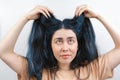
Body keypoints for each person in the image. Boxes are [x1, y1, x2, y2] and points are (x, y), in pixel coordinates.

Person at [0, 4, 120, 80]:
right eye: (58, 41)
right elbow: (3, 52)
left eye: (71, 41)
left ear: (78, 44)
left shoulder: (94, 69)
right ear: (49, 45)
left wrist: (99, 16)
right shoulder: (34, 71)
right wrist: (25, 18)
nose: (65, 48)